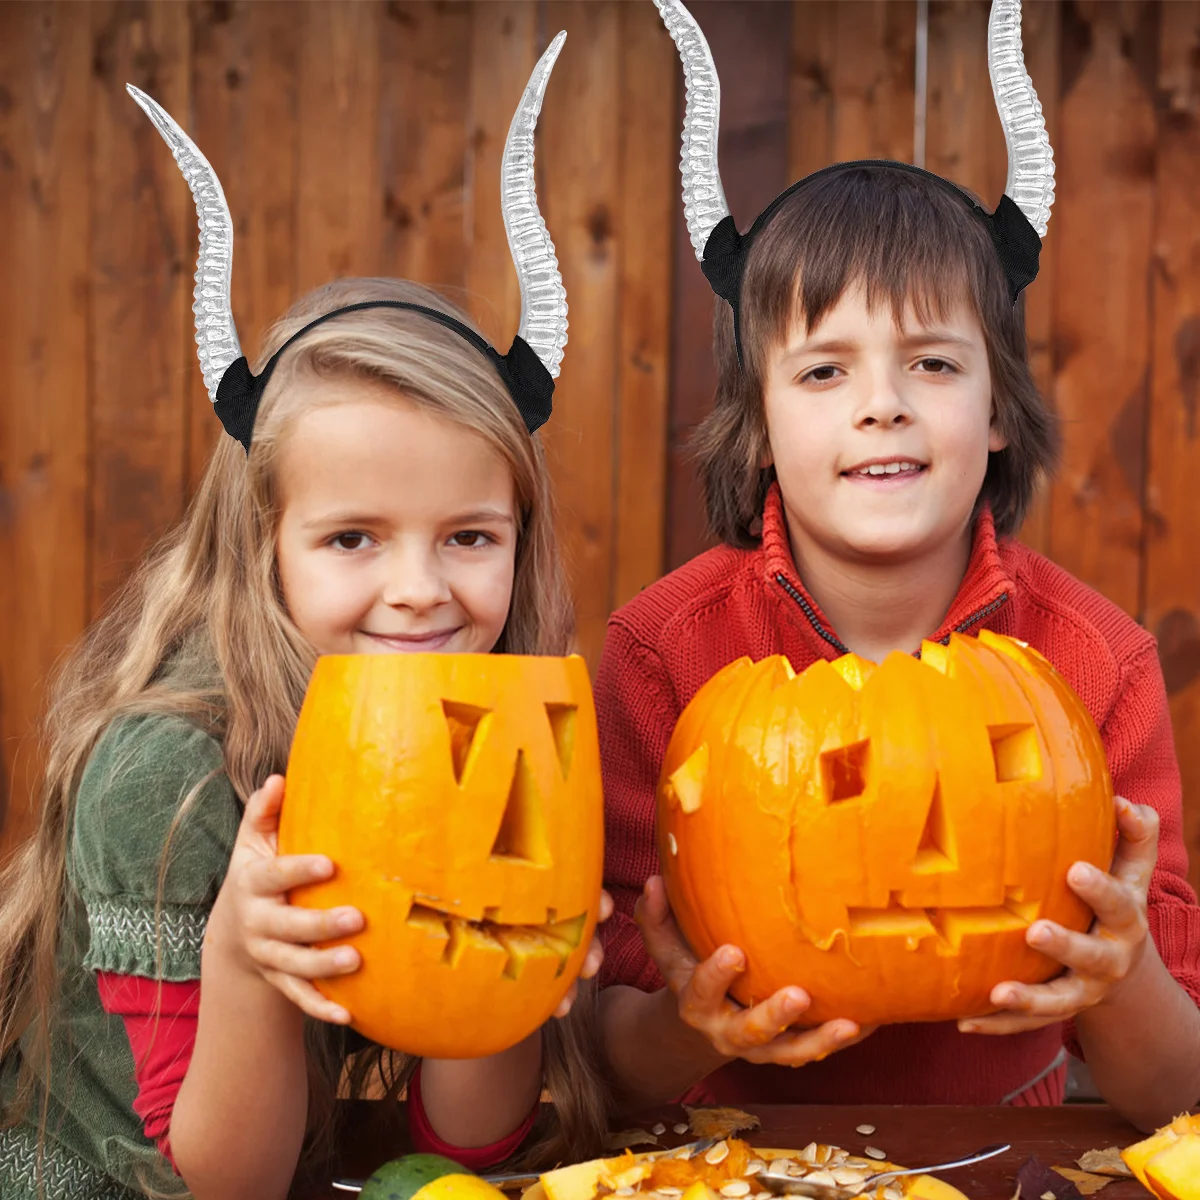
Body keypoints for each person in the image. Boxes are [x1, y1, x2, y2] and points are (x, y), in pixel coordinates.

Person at [0, 38, 611, 1200]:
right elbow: (220, 1186)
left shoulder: (496, 748)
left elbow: (468, 1139)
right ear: (261, 548)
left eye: (470, 536)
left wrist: (506, 965)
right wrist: (242, 953)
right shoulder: (167, 776)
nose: (422, 590)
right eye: (352, 540)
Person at [595, 0, 1200, 1131]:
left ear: (1000, 413)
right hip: (716, 1159)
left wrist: (1122, 979)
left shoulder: (1097, 663)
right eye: (824, 373)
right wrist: (692, 1022)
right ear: (759, 423)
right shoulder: (659, 654)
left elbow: (1179, 1095)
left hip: (1002, 1158)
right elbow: (597, 1055)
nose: (882, 406)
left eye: (931, 362)